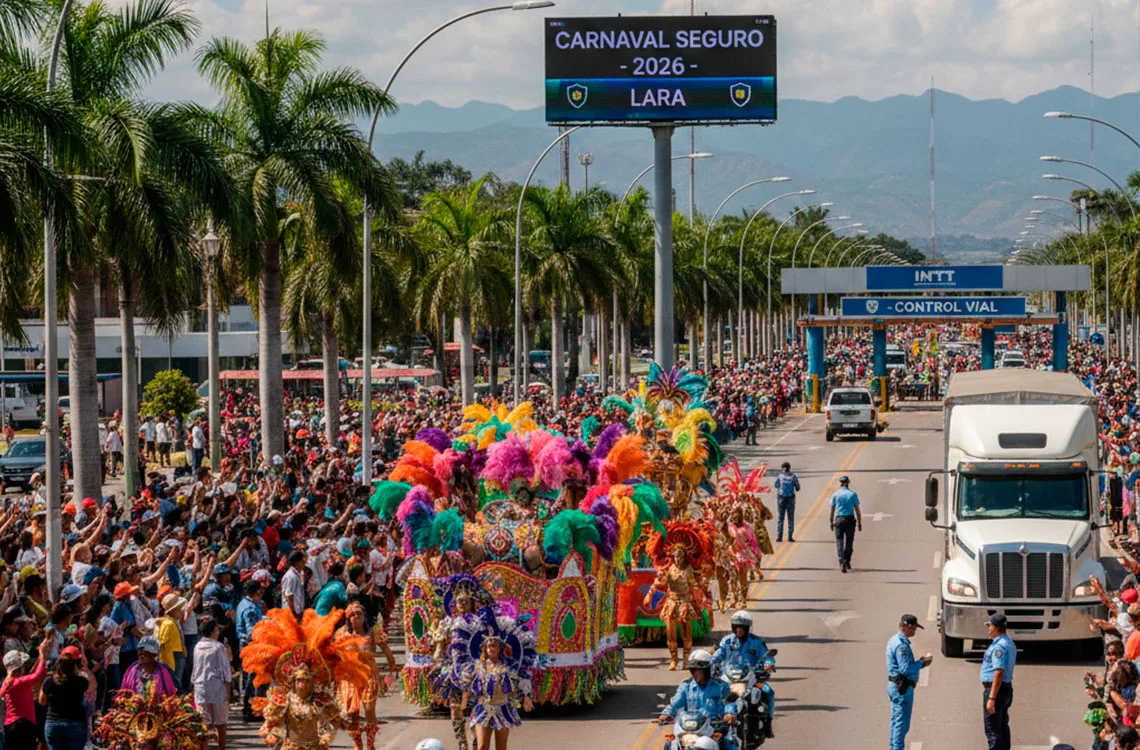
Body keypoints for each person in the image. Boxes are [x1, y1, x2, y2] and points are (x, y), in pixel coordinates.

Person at [710, 610, 775, 740]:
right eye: (737, 627)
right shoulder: (727, 641)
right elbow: (718, 654)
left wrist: (768, 664)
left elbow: (767, 656)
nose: (739, 630)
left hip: (751, 677)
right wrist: (710, 663)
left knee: (769, 692)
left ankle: (768, 723)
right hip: (729, 677)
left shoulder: (756, 642)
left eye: (742, 628)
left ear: (747, 628)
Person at [657, 650, 740, 750]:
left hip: (714, 727)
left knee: (730, 743)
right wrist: (666, 714)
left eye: (698, 670)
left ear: (707, 670)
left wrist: (729, 713)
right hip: (691, 728)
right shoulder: (686, 686)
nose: (695, 674)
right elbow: (675, 703)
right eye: (693, 670)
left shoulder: (721, 686)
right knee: (670, 745)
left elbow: (729, 702)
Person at [886, 614, 933, 750]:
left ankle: (894, 747)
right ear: (908, 627)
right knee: (901, 722)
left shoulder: (894, 640)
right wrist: (921, 663)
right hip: (902, 687)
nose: (914, 632)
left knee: (896, 720)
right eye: (914, 629)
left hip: (897, 685)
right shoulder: (901, 645)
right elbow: (905, 668)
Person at [0, 630, 53, 747]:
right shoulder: (18, 682)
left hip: (12, 725)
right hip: (23, 725)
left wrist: (40, 657)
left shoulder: (7, 682)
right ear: (19, 667)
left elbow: (32, 674)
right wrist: (42, 655)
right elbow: (37, 674)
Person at [39, 645, 95, 750]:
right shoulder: (81, 681)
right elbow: (92, 686)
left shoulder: (49, 681)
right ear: (78, 663)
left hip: (53, 724)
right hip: (76, 725)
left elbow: (42, 701)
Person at [191, 617, 232, 750]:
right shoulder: (218, 647)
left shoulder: (197, 647)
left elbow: (195, 669)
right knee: (221, 722)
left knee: (203, 723)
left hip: (200, 687)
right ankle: (222, 747)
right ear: (214, 631)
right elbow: (226, 671)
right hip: (217, 688)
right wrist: (228, 690)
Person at [980, 613, 1016, 750]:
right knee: (1002, 726)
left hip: (996, 690)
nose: (988, 629)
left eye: (989, 626)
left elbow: (999, 672)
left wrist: (991, 697)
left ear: (996, 627)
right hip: (1006, 689)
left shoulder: (999, 647)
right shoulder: (1009, 642)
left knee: (993, 729)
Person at [828, 475, 862, 572]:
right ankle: (847, 560)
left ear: (840, 483)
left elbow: (832, 510)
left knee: (839, 541)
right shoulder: (852, 494)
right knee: (849, 541)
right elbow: (857, 510)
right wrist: (859, 522)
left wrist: (831, 521)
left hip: (839, 519)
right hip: (849, 519)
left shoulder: (835, 495)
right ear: (848, 482)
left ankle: (841, 560)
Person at [772, 461, 800, 543]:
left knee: (781, 518)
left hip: (781, 499)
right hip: (790, 499)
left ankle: (779, 537)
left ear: (782, 468)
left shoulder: (780, 476)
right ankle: (790, 536)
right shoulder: (793, 476)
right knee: (790, 518)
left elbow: (776, 485)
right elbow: (798, 487)